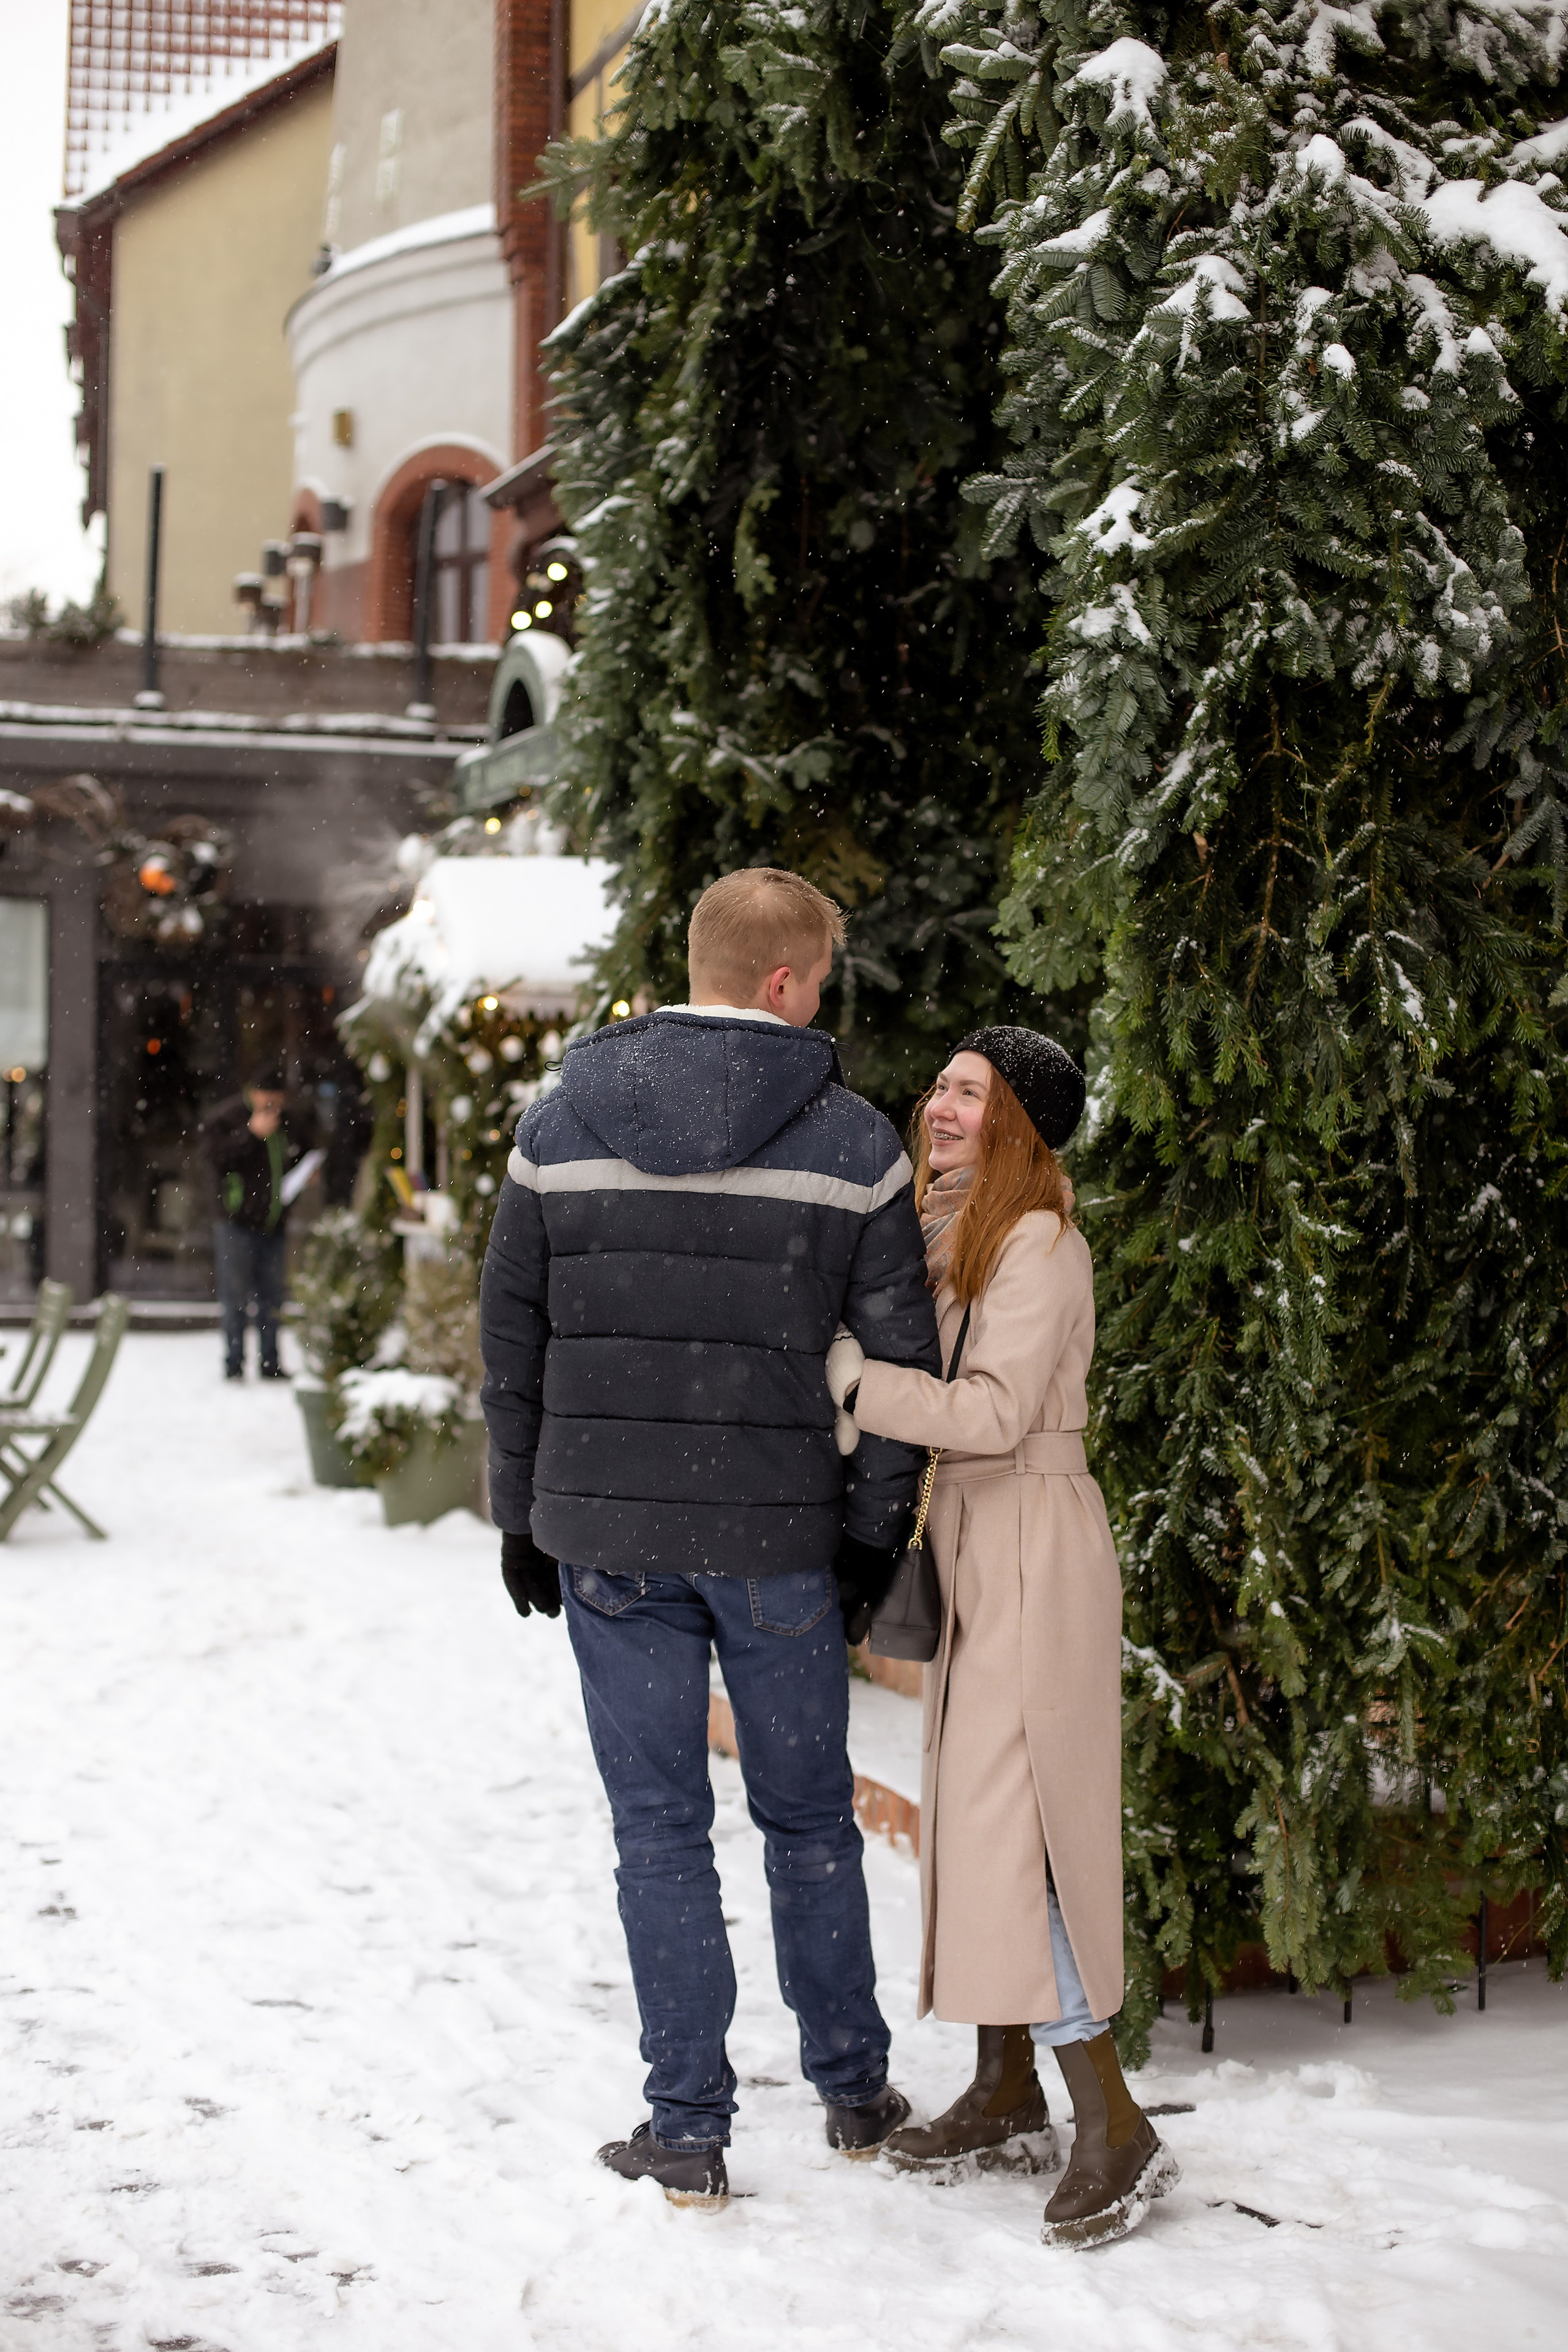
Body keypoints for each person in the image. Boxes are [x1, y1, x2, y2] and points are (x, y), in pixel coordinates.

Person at [478, 867, 941, 2209]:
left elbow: (513, 1341)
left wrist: (522, 1516)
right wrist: (869, 1539)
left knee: (659, 1832)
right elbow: (899, 1360)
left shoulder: (558, 1123)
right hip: (781, 1539)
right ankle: (853, 2090)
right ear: (785, 983)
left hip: (609, 1538)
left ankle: (685, 2129)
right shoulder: (852, 1144)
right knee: (806, 1822)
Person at [826, 1027, 1180, 2249]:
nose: (936, 1106)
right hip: (980, 1541)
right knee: (977, 1820)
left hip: (1028, 1538)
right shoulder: (953, 1231)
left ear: (1017, 1122)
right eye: (938, 1085)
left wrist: (849, 1380)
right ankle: (1004, 2083)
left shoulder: (1036, 1242)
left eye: (967, 1094)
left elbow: (984, 1415)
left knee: (1013, 1825)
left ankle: (1111, 2120)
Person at [202, 1071, 300, 1382]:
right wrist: (250, 1134)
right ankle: (234, 1363)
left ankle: (270, 1362)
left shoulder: (288, 1121)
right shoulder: (227, 1117)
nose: (274, 1103)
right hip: (236, 1223)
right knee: (235, 1297)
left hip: (274, 1223)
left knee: (272, 1298)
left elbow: (297, 1156)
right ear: (254, 1091)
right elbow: (215, 1158)